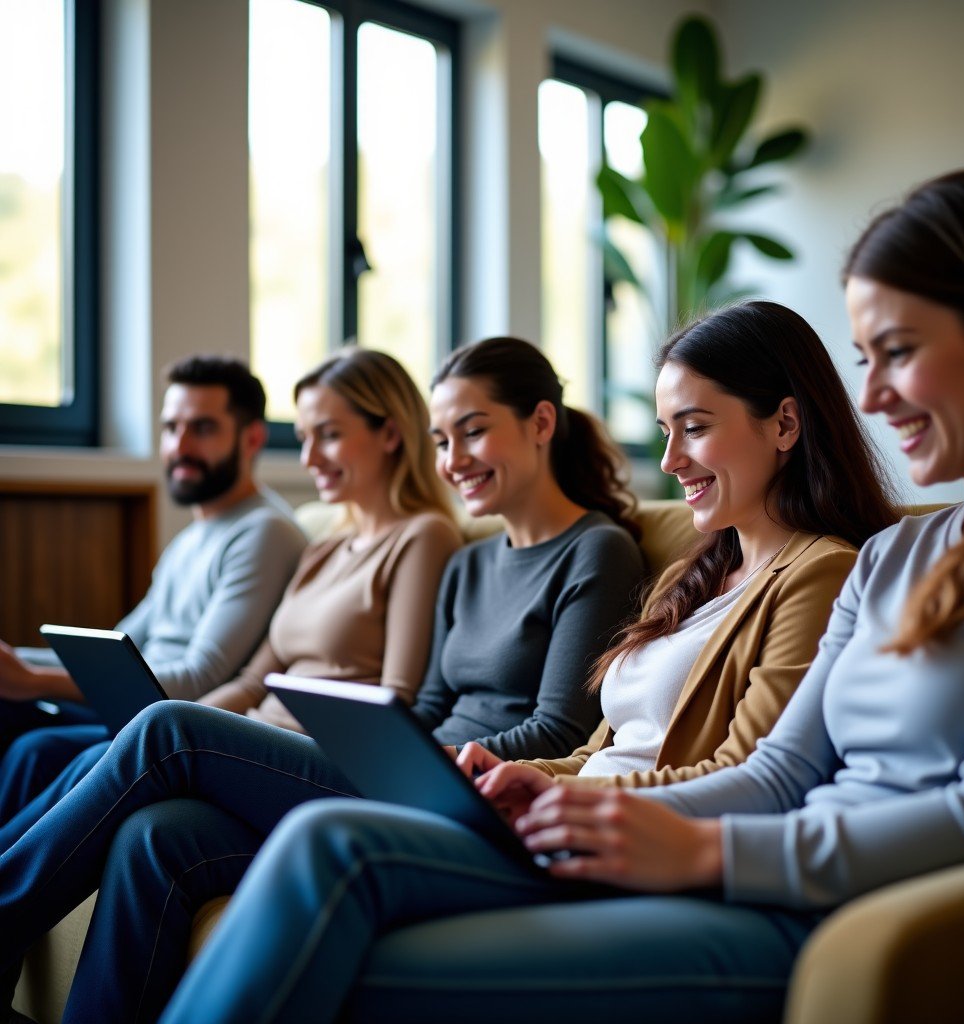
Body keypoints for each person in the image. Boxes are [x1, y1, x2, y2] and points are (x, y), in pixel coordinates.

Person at [159, 169, 964, 1024]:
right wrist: (548, 789)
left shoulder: (827, 563)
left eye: (898, 354)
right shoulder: (888, 558)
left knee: (321, 860)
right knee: (274, 838)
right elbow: (782, 772)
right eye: (865, 360)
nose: (871, 395)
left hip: (774, 889)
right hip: (687, 842)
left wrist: (681, 840)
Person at [0, 337, 646, 1024]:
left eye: (474, 431)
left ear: (542, 423)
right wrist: (385, 748)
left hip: (466, 793)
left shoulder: (596, 552)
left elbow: (559, 729)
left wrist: (430, 762)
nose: (453, 459)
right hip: (404, 771)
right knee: (158, 834)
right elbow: (423, 704)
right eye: (442, 439)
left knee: (168, 727)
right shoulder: (471, 561)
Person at [457, 302, 897, 824]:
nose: (669, 461)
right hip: (571, 822)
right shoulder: (688, 577)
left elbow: (745, 774)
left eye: (694, 428)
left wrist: (566, 801)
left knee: (345, 838)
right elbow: (599, 758)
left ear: (784, 424)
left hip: (629, 839)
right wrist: (525, 776)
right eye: (667, 431)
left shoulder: (822, 574)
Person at [0, 355, 307, 808]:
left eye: (202, 428)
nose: (179, 446)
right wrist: (16, 663)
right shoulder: (191, 538)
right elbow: (115, 649)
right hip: (132, 707)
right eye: (170, 428)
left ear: (253, 438)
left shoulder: (265, 532)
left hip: (170, 722)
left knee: (33, 746)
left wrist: (36, 681)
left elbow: (199, 678)